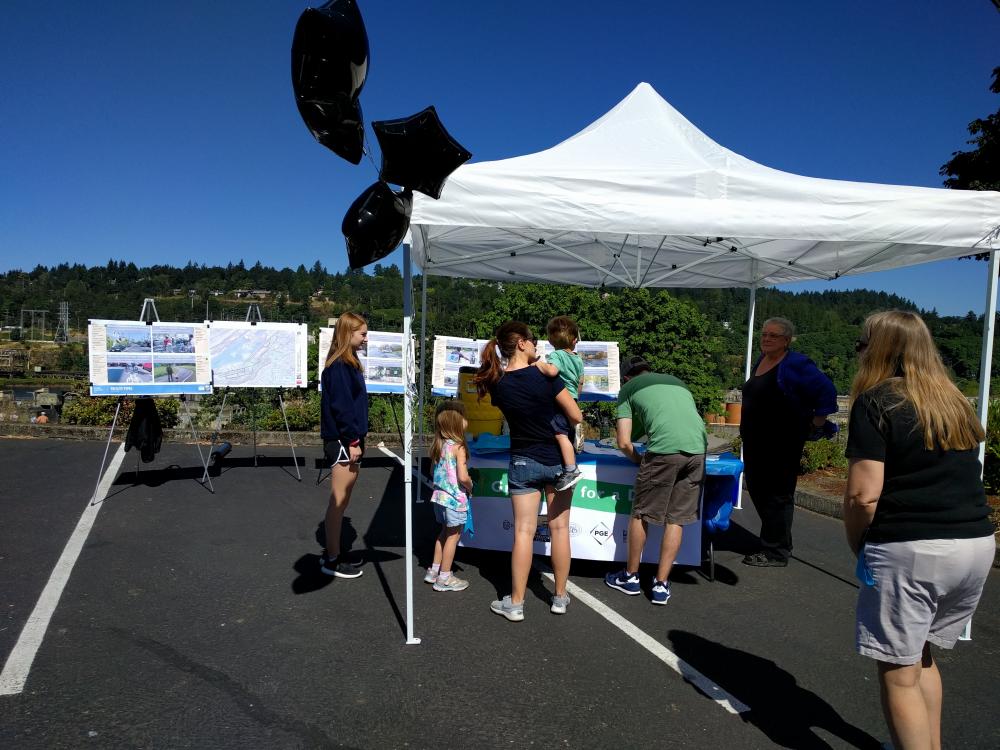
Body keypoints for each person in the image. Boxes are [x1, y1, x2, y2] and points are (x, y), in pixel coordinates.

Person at [844, 310, 994, 750]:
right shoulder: (951, 400)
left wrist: (860, 547)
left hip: (913, 548)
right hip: (975, 543)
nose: (859, 352)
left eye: (862, 343)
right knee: (921, 655)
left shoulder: (877, 401)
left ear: (880, 349)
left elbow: (862, 496)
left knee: (898, 671)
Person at [474, 321, 583, 621]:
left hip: (522, 460)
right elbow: (575, 415)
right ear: (521, 343)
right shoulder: (546, 376)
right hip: (557, 461)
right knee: (560, 529)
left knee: (523, 532)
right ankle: (560, 597)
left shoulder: (498, 384)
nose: (538, 345)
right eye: (533, 340)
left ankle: (516, 602)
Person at [605, 355, 707, 605]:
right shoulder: (675, 381)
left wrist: (638, 460)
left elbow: (624, 442)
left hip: (663, 453)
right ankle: (661, 584)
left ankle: (630, 577)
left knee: (640, 514)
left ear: (627, 377)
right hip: (698, 451)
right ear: (648, 370)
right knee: (676, 519)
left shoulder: (628, 389)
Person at [739, 317, 838, 567]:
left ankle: (776, 551)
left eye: (773, 335)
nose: (766, 338)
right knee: (759, 491)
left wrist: (815, 424)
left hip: (781, 443)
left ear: (786, 340)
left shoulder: (796, 363)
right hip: (756, 442)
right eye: (764, 334)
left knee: (777, 495)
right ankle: (776, 541)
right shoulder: (763, 360)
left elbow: (826, 391)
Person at [319, 312, 369, 579]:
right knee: (338, 501)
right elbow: (342, 408)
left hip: (348, 440)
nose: (365, 338)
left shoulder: (347, 364)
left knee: (342, 500)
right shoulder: (339, 366)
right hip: (343, 441)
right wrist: (352, 441)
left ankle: (333, 552)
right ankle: (332, 559)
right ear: (347, 333)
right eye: (362, 334)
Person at [424, 400, 473, 592]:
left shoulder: (440, 444)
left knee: (443, 533)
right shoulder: (458, 447)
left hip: (439, 498)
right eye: (464, 418)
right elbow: (462, 476)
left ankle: (434, 570)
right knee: (454, 537)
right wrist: (470, 485)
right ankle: (444, 577)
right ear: (457, 422)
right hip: (454, 499)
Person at [533, 315, 585, 491]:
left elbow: (552, 371)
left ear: (550, 340)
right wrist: (575, 400)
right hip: (573, 399)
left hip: (560, 400)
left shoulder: (557, 355)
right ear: (574, 340)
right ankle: (568, 465)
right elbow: (580, 382)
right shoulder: (578, 359)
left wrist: (536, 362)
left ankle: (571, 470)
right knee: (567, 434)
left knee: (559, 434)